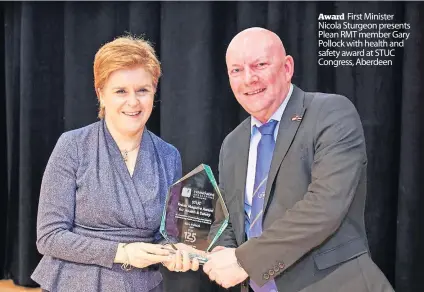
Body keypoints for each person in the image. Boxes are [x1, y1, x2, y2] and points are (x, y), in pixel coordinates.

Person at [203, 27, 395, 292]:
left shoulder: (330, 113)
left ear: (287, 67)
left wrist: (243, 261)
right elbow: (227, 221)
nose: (249, 78)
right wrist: (216, 254)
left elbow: (324, 206)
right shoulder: (232, 144)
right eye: (236, 70)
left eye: (259, 64)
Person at [31, 35, 198, 292]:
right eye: (121, 91)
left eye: (142, 90)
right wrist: (123, 253)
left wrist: (176, 252)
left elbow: (166, 235)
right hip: (75, 284)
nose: (133, 102)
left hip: (143, 286)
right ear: (101, 94)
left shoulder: (169, 155)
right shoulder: (72, 145)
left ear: (154, 90)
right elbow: (49, 237)